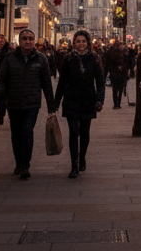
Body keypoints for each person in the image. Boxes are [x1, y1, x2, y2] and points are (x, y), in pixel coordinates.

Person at [0, 29, 55, 180]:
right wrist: (1, 96)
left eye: (30, 39)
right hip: (14, 103)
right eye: (24, 39)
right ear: (19, 41)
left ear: (34, 41)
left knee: (27, 131)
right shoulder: (10, 58)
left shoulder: (41, 59)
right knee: (16, 133)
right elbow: (1, 79)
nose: (27, 41)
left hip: (32, 103)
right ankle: (18, 161)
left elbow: (47, 83)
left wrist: (51, 106)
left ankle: (25, 165)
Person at [54, 30, 106, 178]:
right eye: (78, 41)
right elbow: (62, 82)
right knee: (73, 132)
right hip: (71, 100)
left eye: (83, 41)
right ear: (74, 43)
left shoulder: (94, 58)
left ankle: (82, 156)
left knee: (84, 133)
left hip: (88, 100)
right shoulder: (68, 59)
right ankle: (74, 164)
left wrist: (99, 100)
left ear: (87, 43)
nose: (81, 44)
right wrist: (55, 103)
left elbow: (100, 81)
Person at [103, 41, 129, 109]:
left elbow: (107, 65)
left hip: (113, 73)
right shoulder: (123, 53)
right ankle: (118, 103)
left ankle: (115, 104)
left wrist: (105, 75)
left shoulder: (110, 53)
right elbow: (128, 63)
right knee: (120, 89)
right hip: (122, 74)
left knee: (114, 89)